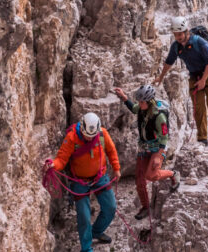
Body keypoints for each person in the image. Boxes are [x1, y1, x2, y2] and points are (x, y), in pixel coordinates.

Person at [44, 112, 120, 252]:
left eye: (92, 136)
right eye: (87, 135)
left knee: (110, 208)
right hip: (80, 181)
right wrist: (54, 165)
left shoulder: (102, 134)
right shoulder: (72, 138)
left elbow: (111, 150)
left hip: (100, 177)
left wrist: (116, 167)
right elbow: (62, 159)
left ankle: (96, 231)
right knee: (84, 217)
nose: (89, 138)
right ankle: (86, 248)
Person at [154, 16, 208, 146]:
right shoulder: (176, 47)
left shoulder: (200, 42)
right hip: (195, 76)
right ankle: (202, 137)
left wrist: (203, 80)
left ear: (186, 31)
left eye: (180, 34)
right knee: (198, 107)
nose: (178, 37)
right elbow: (169, 62)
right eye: (176, 35)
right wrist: (161, 77)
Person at [114, 84, 180, 220]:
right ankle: (145, 207)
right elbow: (133, 109)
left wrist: (158, 156)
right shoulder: (143, 109)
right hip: (144, 147)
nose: (139, 104)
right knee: (139, 180)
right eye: (139, 101)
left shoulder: (159, 116)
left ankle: (173, 174)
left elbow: (164, 137)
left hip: (157, 148)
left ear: (149, 102)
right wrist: (124, 97)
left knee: (151, 175)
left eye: (142, 102)